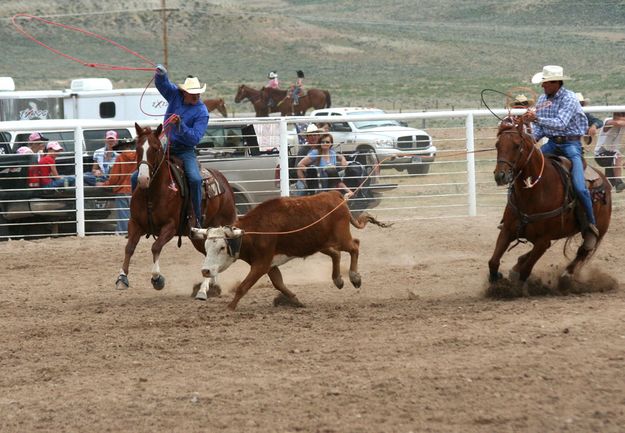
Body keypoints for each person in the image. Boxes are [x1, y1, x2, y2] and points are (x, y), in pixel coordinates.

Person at [525, 65, 599, 247]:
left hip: (571, 145)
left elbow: (561, 123)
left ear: (557, 82)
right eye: (543, 83)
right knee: (523, 169)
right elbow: (540, 129)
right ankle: (513, 216)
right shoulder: (543, 98)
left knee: (580, 188)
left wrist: (536, 119)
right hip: (551, 143)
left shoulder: (570, 98)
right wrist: (528, 140)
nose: (543, 87)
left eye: (546, 83)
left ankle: (590, 225)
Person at [134, 64, 209, 228]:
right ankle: (136, 213)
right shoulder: (175, 95)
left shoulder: (202, 112)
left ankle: (196, 217)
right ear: (184, 92)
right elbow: (163, 85)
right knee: (136, 176)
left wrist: (181, 126)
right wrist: (161, 75)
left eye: (198, 93)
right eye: (193, 93)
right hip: (165, 146)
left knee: (195, 179)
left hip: (185, 150)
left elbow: (194, 138)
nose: (196, 96)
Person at [98, 139, 136, 234]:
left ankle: (124, 232)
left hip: (122, 189)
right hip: (135, 188)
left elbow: (114, 178)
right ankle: (135, 231)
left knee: (123, 214)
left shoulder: (120, 158)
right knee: (135, 212)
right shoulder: (138, 156)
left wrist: (104, 184)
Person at [594, 111, 625, 192]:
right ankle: (618, 182)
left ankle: (604, 188)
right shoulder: (608, 121)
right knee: (617, 156)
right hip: (600, 154)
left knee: (608, 183)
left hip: (611, 155)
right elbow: (617, 123)